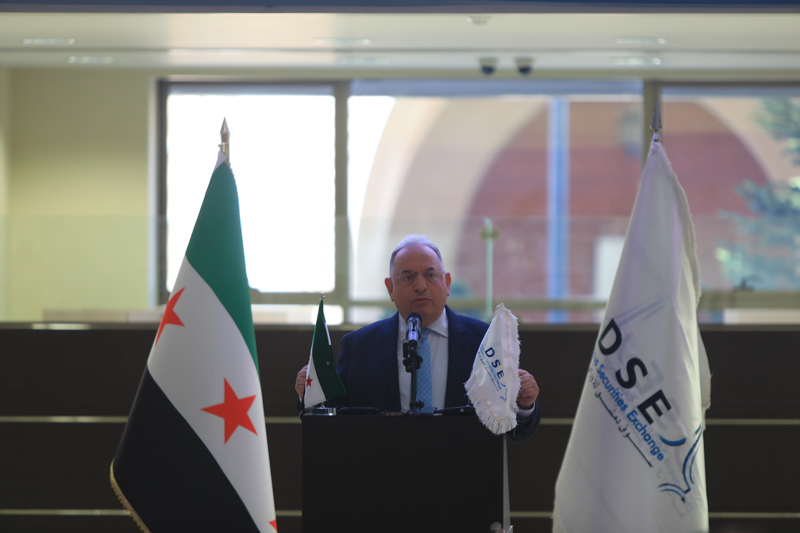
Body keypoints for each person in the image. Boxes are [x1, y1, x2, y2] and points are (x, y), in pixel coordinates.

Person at [295, 234, 541, 441]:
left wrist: (524, 406)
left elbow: (513, 429)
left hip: (463, 475)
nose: (421, 285)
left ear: (447, 283)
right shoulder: (359, 346)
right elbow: (333, 419)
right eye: (408, 277)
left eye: (430, 275)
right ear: (390, 288)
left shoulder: (483, 341)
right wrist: (309, 394)